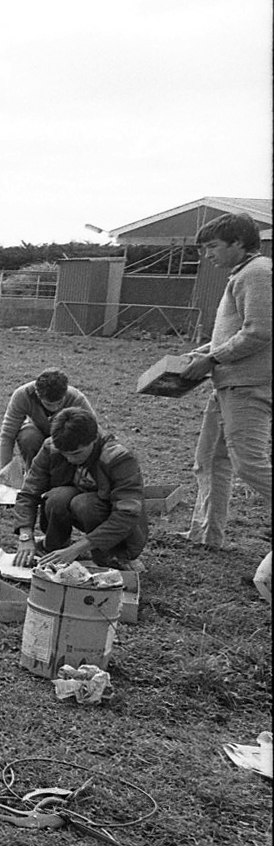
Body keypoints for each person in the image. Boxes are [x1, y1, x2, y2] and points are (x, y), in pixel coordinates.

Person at [179, 212, 271, 599]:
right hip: (227, 384)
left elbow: (261, 330)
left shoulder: (258, 273)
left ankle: (207, 532)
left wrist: (212, 359)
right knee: (208, 459)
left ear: (238, 242)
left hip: (247, 385)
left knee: (248, 462)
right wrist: (200, 353)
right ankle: (206, 534)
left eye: (213, 247)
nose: (207, 256)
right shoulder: (243, 274)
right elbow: (234, 332)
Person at [12, 407, 147, 570]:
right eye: (64, 454)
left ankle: (113, 556)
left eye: (76, 453)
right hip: (78, 505)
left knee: (84, 503)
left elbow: (127, 514)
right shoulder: (52, 447)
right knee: (57, 497)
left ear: (94, 440)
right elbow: (29, 492)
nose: (69, 459)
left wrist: (76, 549)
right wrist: (25, 537)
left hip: (117, 527)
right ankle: (54, 549)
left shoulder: (119, 458)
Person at [0, 367, 96, 471]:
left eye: (59, 403)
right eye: (49, 404)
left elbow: (94, 431)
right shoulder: (22, 395)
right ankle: (32, 472)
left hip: (66, 438)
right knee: (28, 437)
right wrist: (4, 474)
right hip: (37, 433)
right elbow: (7, 436)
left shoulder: (76, 398)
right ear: (37, 394)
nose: (55, 408)